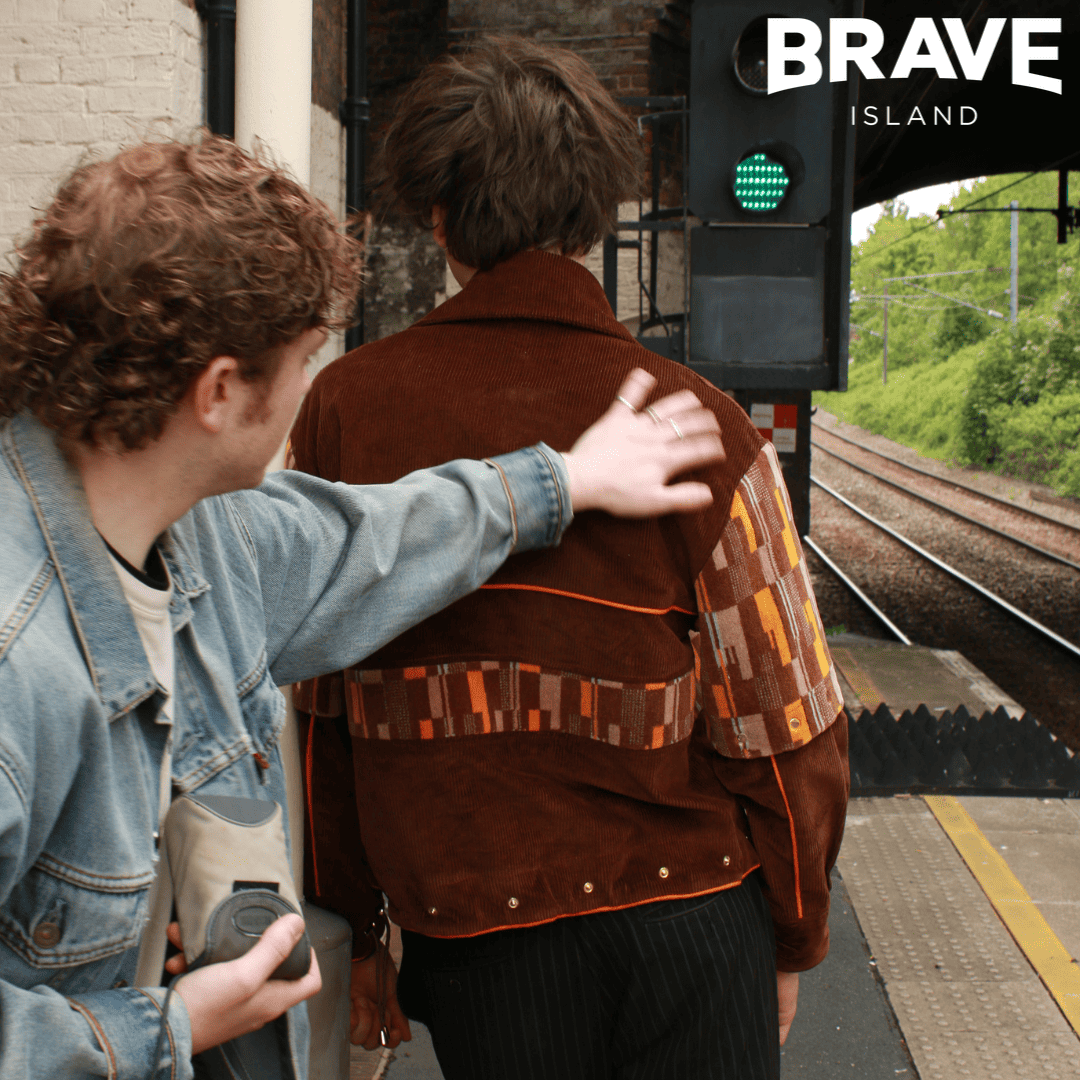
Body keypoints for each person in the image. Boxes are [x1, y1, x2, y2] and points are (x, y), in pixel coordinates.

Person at [0, 134, 726, 1080]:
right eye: (305, 359)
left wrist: (567, 480)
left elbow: (371, 539)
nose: (313, 387)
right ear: (220, 391)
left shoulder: (205, 533)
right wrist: (161, 1026)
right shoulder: (18, 662)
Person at [292, 36, 850, 1080]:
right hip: (694, 917)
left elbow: (323, 715)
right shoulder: (707, 426)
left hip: (472, 936)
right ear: (594, 222)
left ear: (441, 218)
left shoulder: (347, 410)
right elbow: (785, 724)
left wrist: (357, 929)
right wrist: (794, 933)